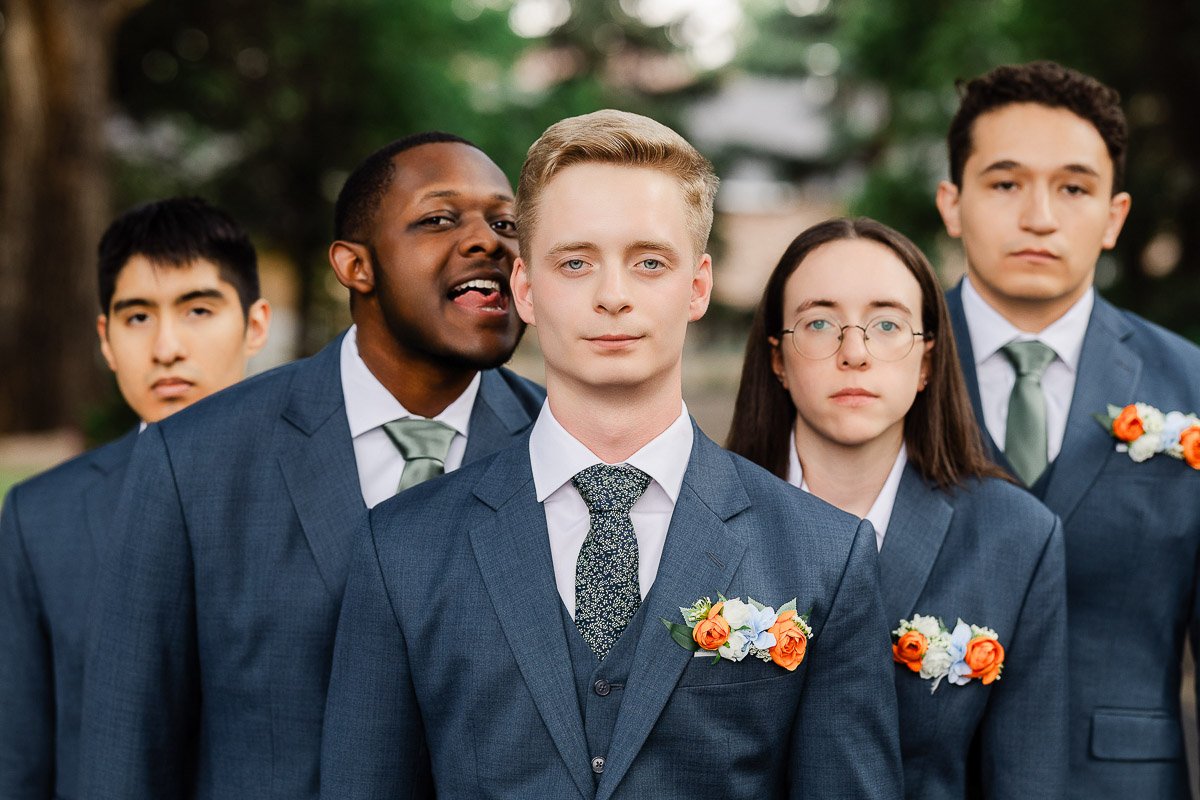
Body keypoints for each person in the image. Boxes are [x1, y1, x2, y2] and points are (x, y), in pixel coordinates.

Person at [319, 110, 902, 800]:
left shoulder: (825, 554)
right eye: (576, 262)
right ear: (525, 289)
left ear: (697, 286)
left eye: (649, 262)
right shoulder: (402, 548)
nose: (613, 297)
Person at [79, 133, 545, 800]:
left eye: (506, 224)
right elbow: (125, 746)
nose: (489, 242)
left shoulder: (564, 451)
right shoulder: (190, 459)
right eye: (440, 218)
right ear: (356, 267)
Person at [727, 216, 1068, 798]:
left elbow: (1025, 778)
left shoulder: (1016, 536)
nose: (854, 352)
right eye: (819, 323)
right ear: (778, 358)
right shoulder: (700, 513)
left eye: (887, 324)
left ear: (927, 361)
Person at [935, 61, 1200, 798]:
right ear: (952, 203)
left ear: (1114, 217)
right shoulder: (884, 373)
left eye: (1074, 187)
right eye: (1005, 183)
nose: (1040, 217)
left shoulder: (1191, 386)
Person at [0, 196, 270, 800]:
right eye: (138, 317)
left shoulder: (329, 489)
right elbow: (18, 757)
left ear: (255, 325)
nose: (166, 347)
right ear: (105, 337)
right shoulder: (41, 517)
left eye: (198, 309)